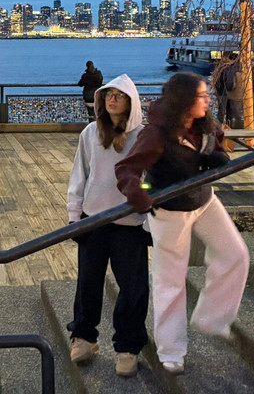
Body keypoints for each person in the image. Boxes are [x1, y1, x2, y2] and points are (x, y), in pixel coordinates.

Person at [114, 71, 249, 376]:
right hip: (170, 211)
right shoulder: (156, 133)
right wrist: (140, 197)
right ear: (185, 100)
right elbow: (126, 169)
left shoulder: (203, 123)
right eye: (201, 95)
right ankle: (171, 351)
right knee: (170, 281)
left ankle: (213, 318)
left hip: (203, 200)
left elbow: (214, 147)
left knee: (236, 254)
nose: (207, 100)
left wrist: (217, 158)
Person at [66, 75, 151, 378]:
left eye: (119, 95)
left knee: (133, 287)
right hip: (94, 220)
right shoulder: (90, 133)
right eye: (108, 94)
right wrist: (75, 215)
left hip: (130, 224)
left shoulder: (144, 137)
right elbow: (80, 175)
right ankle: (83, 337)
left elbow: (151, 179)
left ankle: (127, 346)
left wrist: (149, 216)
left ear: (131, 101)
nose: (112, 99)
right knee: (88, 281)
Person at [212, 52, 239, 126]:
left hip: (223, 91)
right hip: (225, 91)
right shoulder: (231, 68)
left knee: (223, 111)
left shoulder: (221, 67)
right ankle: (225, 125)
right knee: (228, 110)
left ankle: (222, 125)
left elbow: (218, 80)